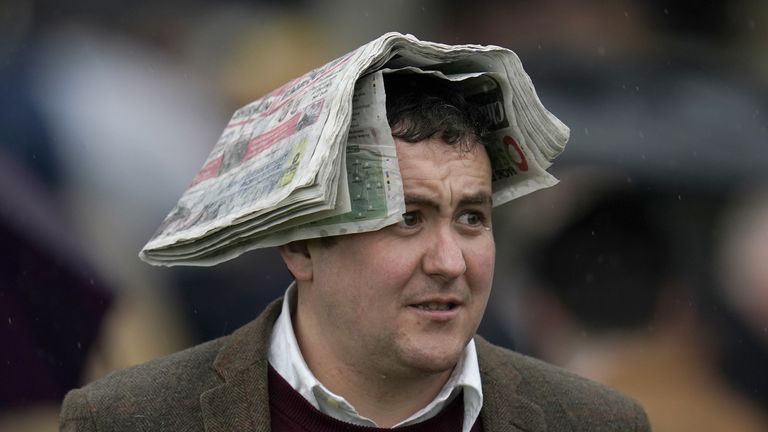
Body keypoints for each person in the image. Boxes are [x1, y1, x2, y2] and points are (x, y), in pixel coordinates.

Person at [59, 74, 650, 431]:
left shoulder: (595, 424)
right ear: (302, 245)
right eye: (407, 219)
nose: (450, 262)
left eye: (471, 218)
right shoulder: (127, 421)